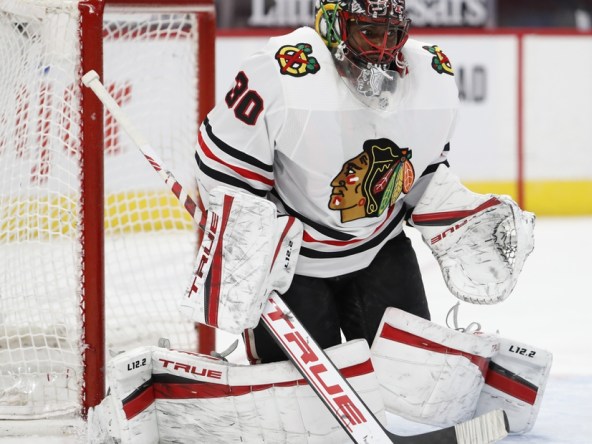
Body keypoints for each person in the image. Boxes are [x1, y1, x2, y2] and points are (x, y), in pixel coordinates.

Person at [193, 0, 533, 364]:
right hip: (293, 265)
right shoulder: (280, 73)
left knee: (413, 373)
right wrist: (250, 248)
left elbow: (422, 171)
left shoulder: (431, 74)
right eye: (369, 32)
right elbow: (223, 173)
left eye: (392, 34)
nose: (382, 50)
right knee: (302, 399)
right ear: (333, 27)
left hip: (379, 248)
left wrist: (454, 213)